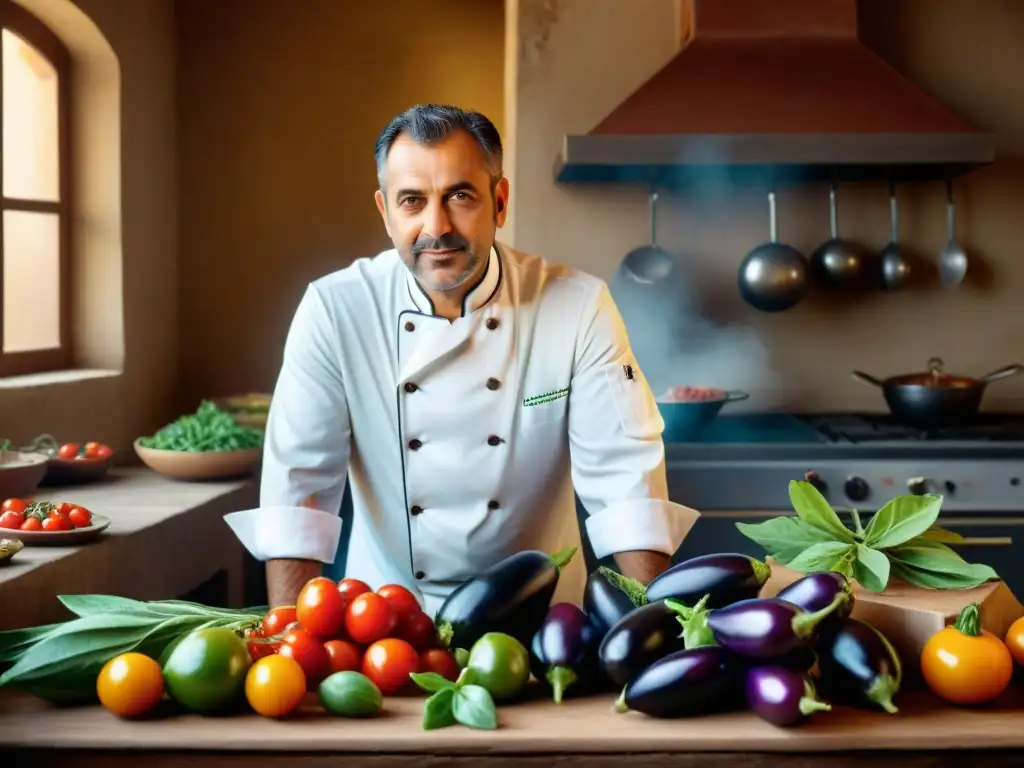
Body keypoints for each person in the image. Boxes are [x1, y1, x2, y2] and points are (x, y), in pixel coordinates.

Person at [225, 104, 700, 615]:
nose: (437, 226)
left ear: (499, 202)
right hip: (385, 625)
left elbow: (625, 481)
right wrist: (294, 642)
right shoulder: (336, 309)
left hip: (542, 624)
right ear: (386, 212)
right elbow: (299, 489)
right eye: (413, 201)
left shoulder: (578, 305)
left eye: (459, 196)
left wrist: (659, 629)